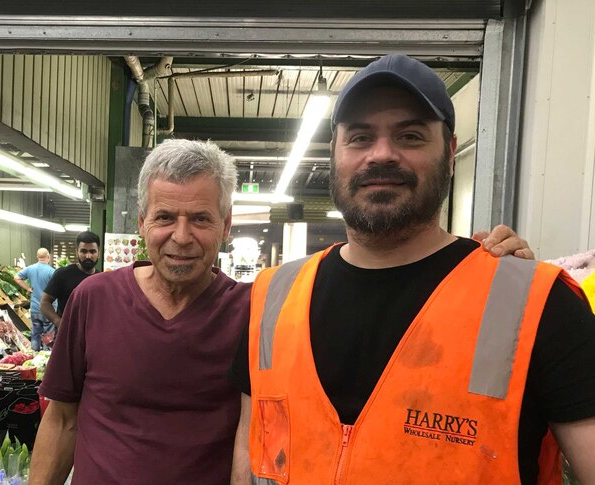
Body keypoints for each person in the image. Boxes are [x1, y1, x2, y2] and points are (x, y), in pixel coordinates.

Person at [29, 139, 532, 485]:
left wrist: (476, 265)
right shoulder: (95, 298)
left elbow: (376, 312)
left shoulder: (261, 310)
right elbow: (62, 421)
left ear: (226, 226)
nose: (181, 237)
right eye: (165, 217)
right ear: (142, 223)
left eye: (201, 218)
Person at [229, 54, 595, 484]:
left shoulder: (536, 303)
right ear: (335, 153)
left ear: (451, 152)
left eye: (410, 136)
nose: (382, 154)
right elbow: (251, 454)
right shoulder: (272, 297)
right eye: (360, 137)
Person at [39, 231, 100, 329]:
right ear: (77, 252)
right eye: (83, 251)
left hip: (91, 336)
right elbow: (44, 303)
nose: (88, 256)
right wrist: (59, 322)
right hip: (66, 337)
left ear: (98, 254)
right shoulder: (63, 274)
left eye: (92, 251)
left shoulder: (101, 279)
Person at [14, 248, 57, 351]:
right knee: (48, 335)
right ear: (48, 257)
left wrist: (28, 288)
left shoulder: (30, 269)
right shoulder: (52, 271)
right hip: (49, 309)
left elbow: (16, 277)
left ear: (37, 257)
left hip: (34, 308)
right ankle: (46, 358)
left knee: (35, 333)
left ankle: (34, 355)